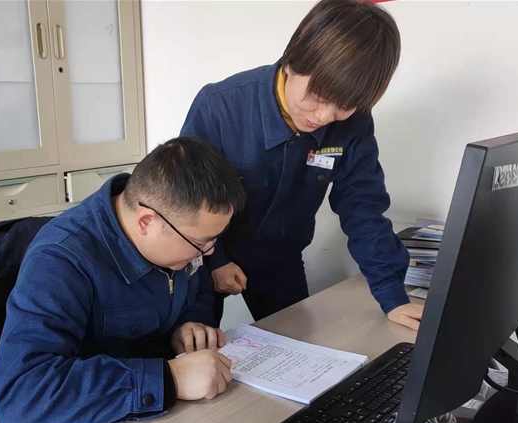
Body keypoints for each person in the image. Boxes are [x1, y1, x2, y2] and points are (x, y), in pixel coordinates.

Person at [180, 0, 423, 330]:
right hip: (202, 257)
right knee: (198, 347)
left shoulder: (354, 125)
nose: (323, 116)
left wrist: (392, 296)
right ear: (293, 60)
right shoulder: (220, 106)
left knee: (298, 344)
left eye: (344, 106)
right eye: (318, 97)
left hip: (281, 260)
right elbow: (186, 201)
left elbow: (363, 208)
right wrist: (216, 260)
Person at [0, 137, 246, 423]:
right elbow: (20, 397)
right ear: (146, 222)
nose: (209, 253)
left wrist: (189, 325)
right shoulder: (60, 260)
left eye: (214, 240)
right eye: (200, 243)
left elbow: (196, 287)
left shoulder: (178, 236)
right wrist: (169, 378)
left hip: (169, 418)